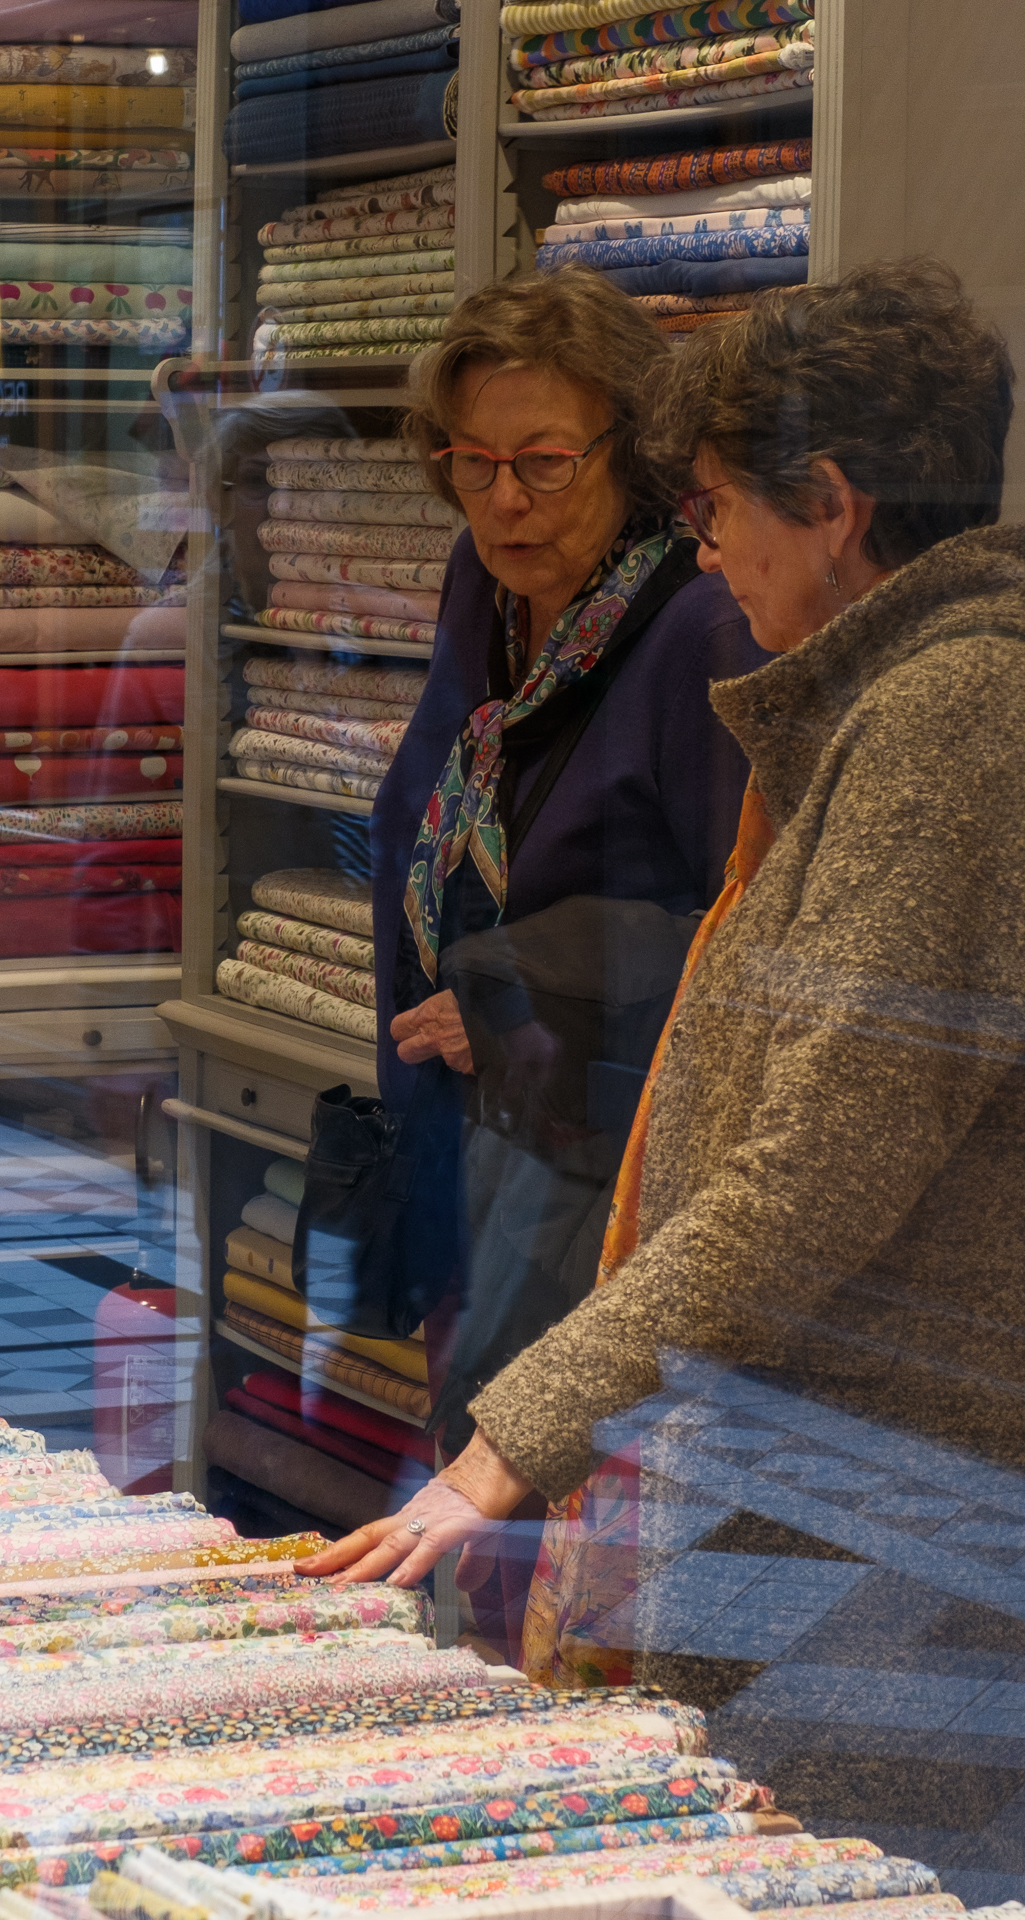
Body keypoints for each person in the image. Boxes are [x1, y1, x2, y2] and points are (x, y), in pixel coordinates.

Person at [303, 260, 1025, 1696]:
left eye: (715, 509)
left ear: (831, 507)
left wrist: (515, 1440)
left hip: (888, 1482)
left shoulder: (959, 714)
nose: (705, 552)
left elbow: (824, 1161)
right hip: (853, 1458)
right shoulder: (911, 692)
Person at [362, 270, 762, 1494]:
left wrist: (511, 996)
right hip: (467, 1139)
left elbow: (743, 941)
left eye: (544, 463)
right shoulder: (483, 586)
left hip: (590, 1180)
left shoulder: (702, 626)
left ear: (629, 451)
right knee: (465, 1498)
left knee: (539, 1527)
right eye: (472, 462)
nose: (503, 501)